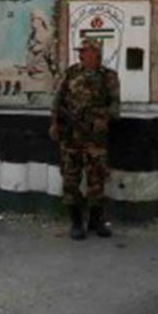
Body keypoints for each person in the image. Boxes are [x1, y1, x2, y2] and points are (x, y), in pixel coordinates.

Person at [50, 38, 121, 240]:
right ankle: (76, 223)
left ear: (96, 54)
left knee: (96, 180)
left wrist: (102, 119)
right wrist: (54, 124)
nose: (81, 54)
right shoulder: (71, 73)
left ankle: (95, 222)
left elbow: (115, 105)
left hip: (95, 138)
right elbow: (57, 102)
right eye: (80, 51)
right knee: (70, 179)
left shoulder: (108, 76)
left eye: (85, 51)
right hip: (71, 136)